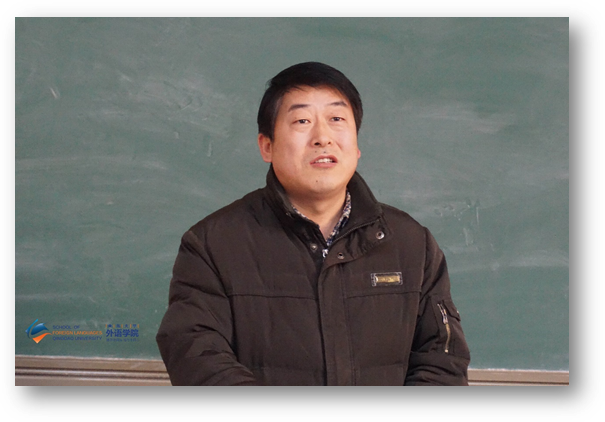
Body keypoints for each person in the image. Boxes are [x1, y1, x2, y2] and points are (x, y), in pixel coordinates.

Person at [156, 62, 471, 386]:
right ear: (267, 146)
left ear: (356, 145)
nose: (322, 137)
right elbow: (198, 360)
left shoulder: (411, 244)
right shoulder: (213, 245)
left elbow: (442, 364)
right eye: (302, 121)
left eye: (337, 119)